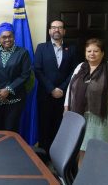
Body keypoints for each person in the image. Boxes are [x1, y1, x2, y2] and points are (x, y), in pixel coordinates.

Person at [64, 38, 108, 166]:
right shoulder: (80, 67)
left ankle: (95, 176)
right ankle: (81, 177)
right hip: (79, 116)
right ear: (85, 53)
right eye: (89, 51)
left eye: (96, 51)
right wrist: (66, 109)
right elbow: (70, 89)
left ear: (102, 53)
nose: (92, 53)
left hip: (100, 119)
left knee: (97, 151)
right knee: (81, 150)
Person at [35, 18, 77, 152]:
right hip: (45, 95)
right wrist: (51, 89)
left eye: (59, 27)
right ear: (49, 31)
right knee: (45, 127)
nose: (56, 30)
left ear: (64, 31)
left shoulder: (72, 49)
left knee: (62, 128)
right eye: (54, 27)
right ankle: (44, 159)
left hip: (64, 97)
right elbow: (37, 70)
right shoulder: (42, 47)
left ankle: (59, 159)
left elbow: (75, 71)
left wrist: (62, 88)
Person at [0, 22, 32, 132]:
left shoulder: (22, 53)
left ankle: (11, 149)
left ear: (14, 36)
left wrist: (8, 90)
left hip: (15, 99)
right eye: (4, 37)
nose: (7, 39)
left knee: (11, 129)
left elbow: (25, 75)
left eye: (10, 36)